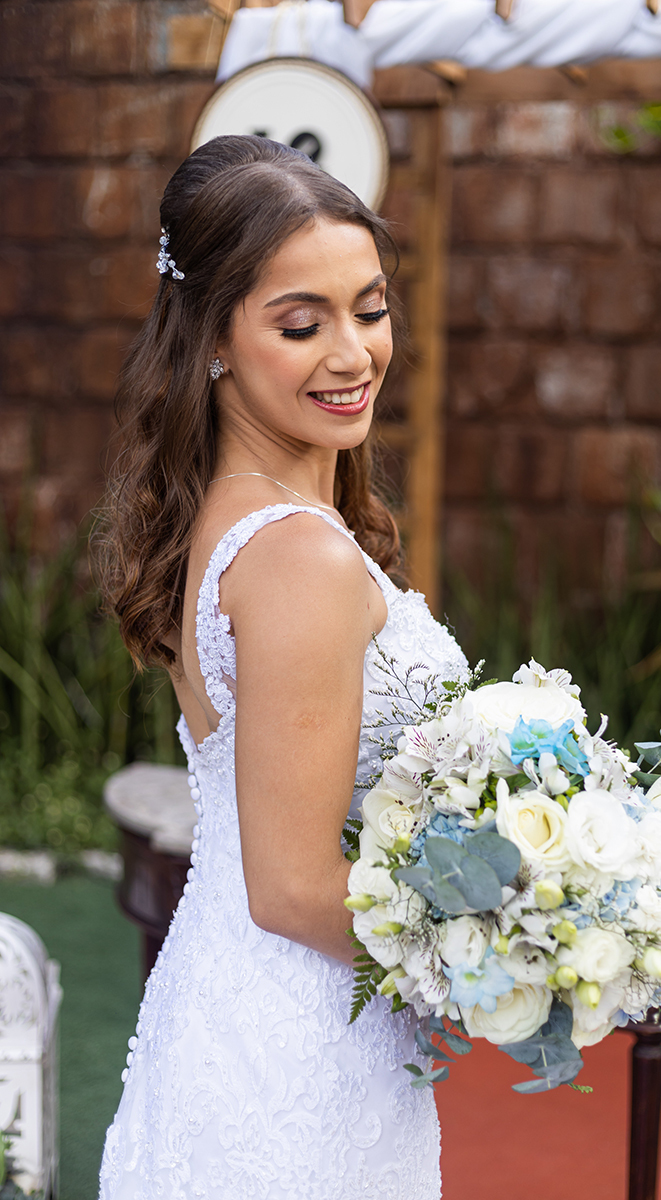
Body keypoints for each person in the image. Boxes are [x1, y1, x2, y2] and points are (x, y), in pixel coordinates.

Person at [96, 134, 467, 1199]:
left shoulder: (223, 517)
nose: (353, 353)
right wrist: (513, 950)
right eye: (302, 325)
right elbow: (295, 887)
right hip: (301, 1056)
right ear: (213, 338)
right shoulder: (299, 555)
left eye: (370, 308)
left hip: (234, 1016)